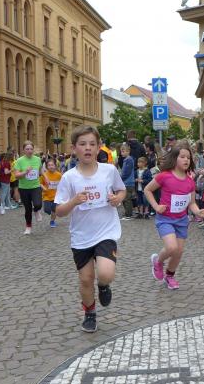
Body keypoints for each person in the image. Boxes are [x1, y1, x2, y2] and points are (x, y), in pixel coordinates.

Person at [54, 125, 126, 333]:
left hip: (106, 231)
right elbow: (59, 211)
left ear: (98, 147)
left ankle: (103, 285)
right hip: (81, 236)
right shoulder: (69, 177)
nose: (88, 148)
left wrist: (117, 199)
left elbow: (121, 191)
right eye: (83, 144)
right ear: (73, 148)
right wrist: (74, 201)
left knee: (105, 273)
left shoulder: (109, 171)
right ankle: (90, 313)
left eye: (92, 144)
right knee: (86, 280)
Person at [146, 144, 204, 290]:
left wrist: (198, 212)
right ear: (174, 158)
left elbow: (191, 203)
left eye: (188, 158)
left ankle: (170, 276)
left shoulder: (190, 181)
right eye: (182, 157)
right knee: (171, 247)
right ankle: (158, 261)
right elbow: (148, 190)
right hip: (165, 219)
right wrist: (156, 206)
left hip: (181, 221)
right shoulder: (164, 176)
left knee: (178, 252)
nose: (186, 160)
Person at [13, 141, 43, 234]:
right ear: (23, 150)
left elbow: (40, 171)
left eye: (31, 149)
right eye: (27, 149)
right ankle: (28, 227)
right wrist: (25, 172)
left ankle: (36, 210)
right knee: (28, 209)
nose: (29, 151)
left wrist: (45, 178)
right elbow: (16, 175)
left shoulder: (38, 159)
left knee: (38, 204)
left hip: (35, 186)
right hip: (24, 188)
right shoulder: (19, 161)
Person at [40, 158, 62, 228]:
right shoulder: (44, 175)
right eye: (49, 165)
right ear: (46, 167)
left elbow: (62, 184)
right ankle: (50, 212)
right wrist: (43, 188)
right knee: (47, 210)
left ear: (55, 166)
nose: (51, 166)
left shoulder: (59, 175)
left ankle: (52, 221)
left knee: (54, 210)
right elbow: (40, 183)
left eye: (52, 165)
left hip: (56, 196)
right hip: (46, 196)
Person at [119, 143, 136, 220]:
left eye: (123, 151)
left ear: (128, 151)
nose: (122, 153)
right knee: (126, 198)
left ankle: (129, 214)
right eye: (121, 151)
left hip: (128, 183)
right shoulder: (127, 159)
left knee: (127, 199)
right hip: (126, 182)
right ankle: (127, 212)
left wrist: (120, 179)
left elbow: (126, 172)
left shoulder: (129, 160)